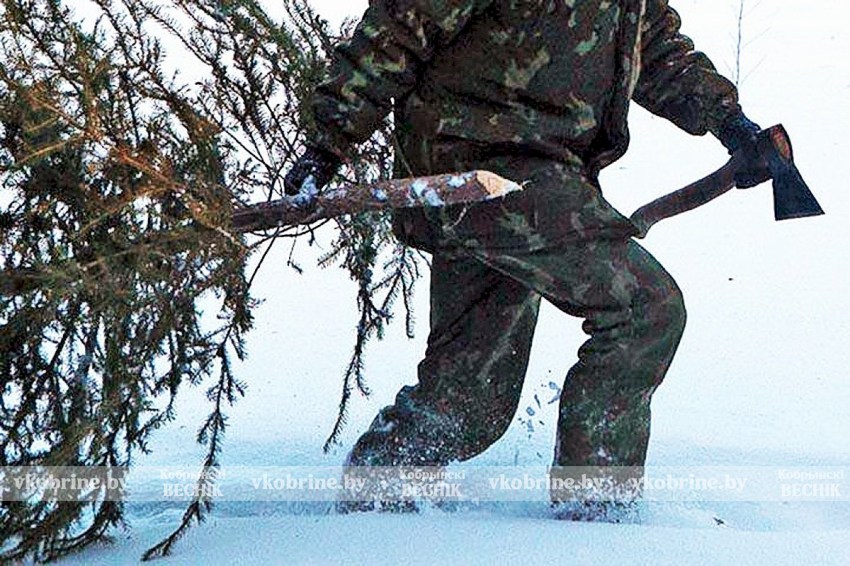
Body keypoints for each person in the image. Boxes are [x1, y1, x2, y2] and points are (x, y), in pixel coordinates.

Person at [284, 0, 769, 518]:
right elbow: (401, 25)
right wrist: (326, 145)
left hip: (545, 172)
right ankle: (598, 512)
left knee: (471, 401)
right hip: (474, 168)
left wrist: (731, 123)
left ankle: (379, 486)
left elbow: (652, 46)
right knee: (644, 310)